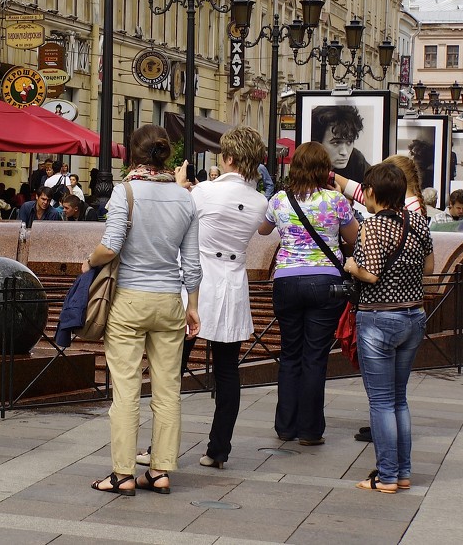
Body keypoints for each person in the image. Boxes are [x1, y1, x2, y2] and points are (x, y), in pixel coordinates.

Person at [84, 124, 200, 496]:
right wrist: (192, 306)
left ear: (133, 154)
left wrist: (89, 262)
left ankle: (122, 474)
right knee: (168, 390)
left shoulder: (126, 192)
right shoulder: (185, 199)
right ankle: (161, 470)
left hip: (129, 301)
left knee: (126, 390)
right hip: (169, 302)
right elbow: (193, 263)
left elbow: (111, 245)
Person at [259, 141, 358, 446]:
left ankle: (285, 427)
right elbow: (353, 238)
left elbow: (263, 230)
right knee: (314, 357)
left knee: (290, 354)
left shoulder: (279, 200)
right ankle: (310, 430)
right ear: (324, 169)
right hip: (325, 283)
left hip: (286, 281)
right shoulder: (336, 200)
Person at [343, 162, 434, 493]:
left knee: (381, 401)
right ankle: (403, 472)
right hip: (414, 316)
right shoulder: (418, 223)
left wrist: (353, 266)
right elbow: (430, 266)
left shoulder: (371, 226)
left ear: (371, 193)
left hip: (379, 319)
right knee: (399, 399)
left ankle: (386, 476)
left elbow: (371, 274)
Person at [182, 127, 269, 468]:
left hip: (197, 284)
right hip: (232, 284)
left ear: (230, 158)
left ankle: (159, 444)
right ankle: (219, 449)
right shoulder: (261, 201)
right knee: (228, 371)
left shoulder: (204, 192)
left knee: (173, 366)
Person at [311, 104, 368, 182]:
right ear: (317, 142)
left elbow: (377, 189)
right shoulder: (307, 162)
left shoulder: (356, 160)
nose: (344, 152)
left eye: (349, 142)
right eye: (336, 143)